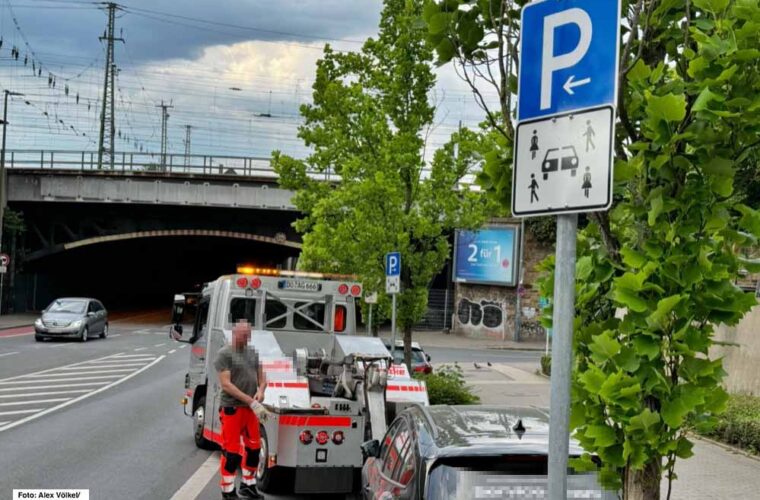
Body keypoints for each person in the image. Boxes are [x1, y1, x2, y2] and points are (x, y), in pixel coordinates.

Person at [214, 320, 267, 499]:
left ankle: (248, 485)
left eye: (248, 335)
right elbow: (226, 385)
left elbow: (262, 377)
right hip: (232, 408)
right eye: (243, 335)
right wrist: (249, 400)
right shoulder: (224, 354)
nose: (246, 338)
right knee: (232, 452)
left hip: (250, 408)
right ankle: (228, 491)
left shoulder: (252, 353)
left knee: (254, 448)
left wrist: (260, 391)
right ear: (234, 333)